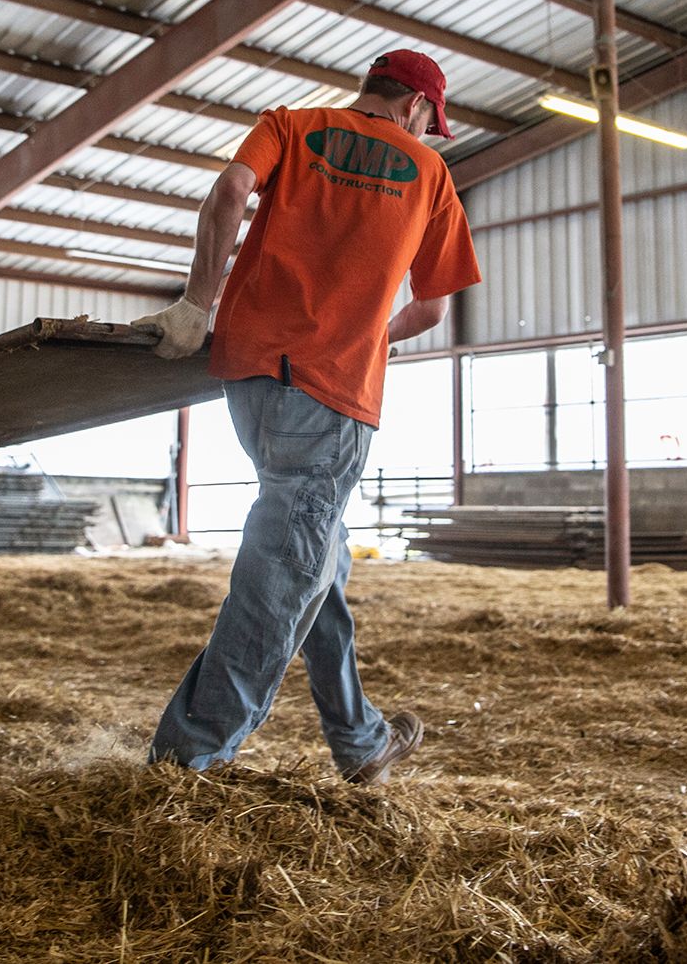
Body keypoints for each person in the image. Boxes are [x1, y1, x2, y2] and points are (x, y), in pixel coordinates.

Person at [133, 49, 481, 784]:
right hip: (331, 395)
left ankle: (360, 738)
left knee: (319, 556)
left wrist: (198, 303)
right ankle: (185, 763)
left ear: (370, 89)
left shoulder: (292, 125)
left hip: (251, 378)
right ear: (419, 108)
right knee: (283, 574)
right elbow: (434, 305)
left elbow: (231, 189)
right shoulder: (429, 171)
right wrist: (364, 333)